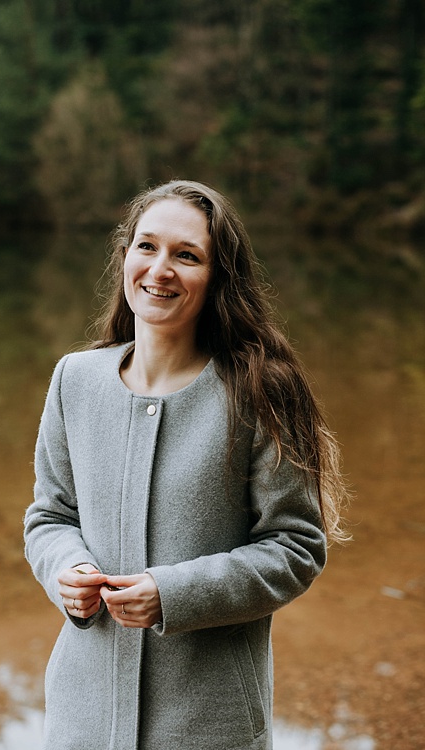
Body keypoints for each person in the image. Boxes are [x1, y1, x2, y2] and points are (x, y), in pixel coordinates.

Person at [23, 180, 348, 749]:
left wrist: (171, 593)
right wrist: (64, 572)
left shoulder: (260, 390)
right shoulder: (74, 380)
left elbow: (296, 548)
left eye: (187, 255)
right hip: (81, 720)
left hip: (207, 726)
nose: (159, 269)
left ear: (218, 278)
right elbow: (49, 516)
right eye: (146, 247)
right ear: (124, 256)